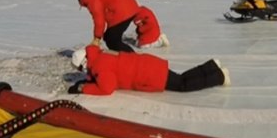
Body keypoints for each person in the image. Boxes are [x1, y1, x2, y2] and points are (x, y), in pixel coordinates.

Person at [68, 45, 230, 95]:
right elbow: (101, 74)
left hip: (146, 75)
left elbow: (107, 87)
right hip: (147, 64)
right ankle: (211, 66)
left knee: (182, 85)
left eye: (81, 68)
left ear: (84, 62)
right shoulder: (101, 56)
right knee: (181, 78)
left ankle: (219, 77)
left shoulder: (99, 67)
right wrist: (89, 79)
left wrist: (85, 89)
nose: (83, 71)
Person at [76, 0, 141, 53]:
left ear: (81, 0)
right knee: (108, 37)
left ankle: (133, 58)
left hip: (124, 11)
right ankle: (121, 57)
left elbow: (98, 18)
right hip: (129, 7)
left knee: (112, 40)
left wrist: (97, 38)